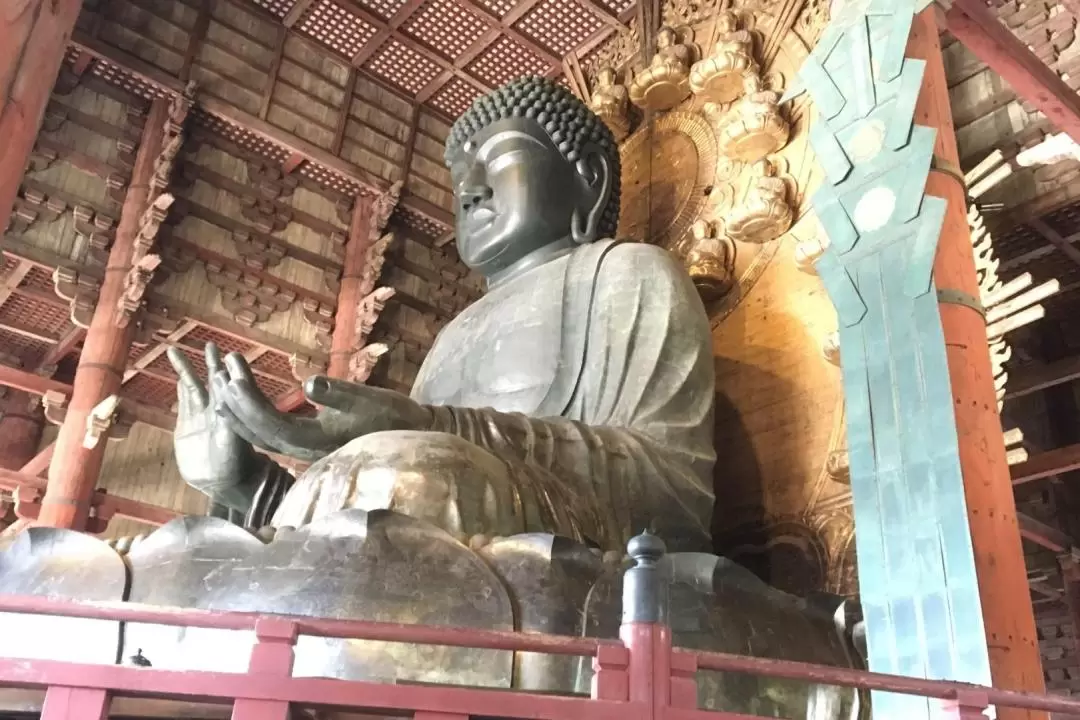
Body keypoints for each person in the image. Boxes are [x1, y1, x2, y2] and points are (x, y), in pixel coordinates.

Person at [169, 75, 717, 552]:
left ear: (589, 179)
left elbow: (670, 495)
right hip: (452, 527)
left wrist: (434, 427)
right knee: (195, 546)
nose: (472, 192)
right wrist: (247, 486)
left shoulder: (629, 274)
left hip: (587, 547)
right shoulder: (454, 335)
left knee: (407, 472)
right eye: (460, 183)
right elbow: (383, 520)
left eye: (500, 161)